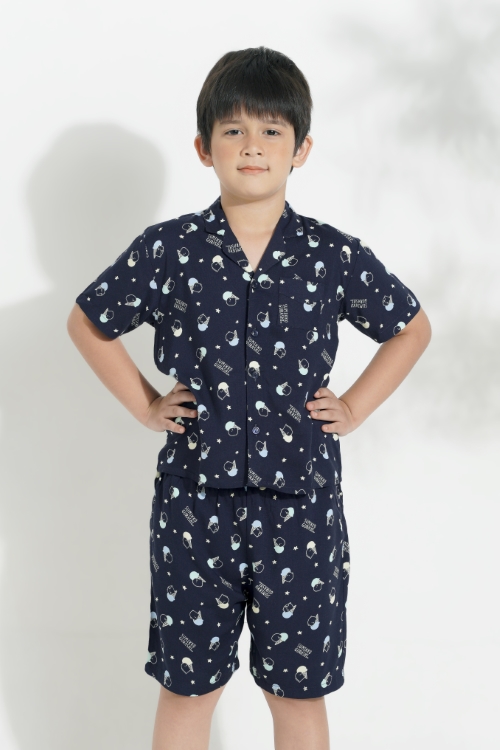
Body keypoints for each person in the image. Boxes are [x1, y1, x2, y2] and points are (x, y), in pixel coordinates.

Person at [67, 46, 431, 750]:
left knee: (297, 693)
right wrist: (146, 404)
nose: (252, 146)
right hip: (193, 508)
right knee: (187, 689)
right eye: (233, 130)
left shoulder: (331, 255)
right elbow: (89, 321)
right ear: (204, 148)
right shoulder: (169, 250)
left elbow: (410, 328)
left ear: (302, 149)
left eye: (271, 130)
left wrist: (354, 406)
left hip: (302, 510)